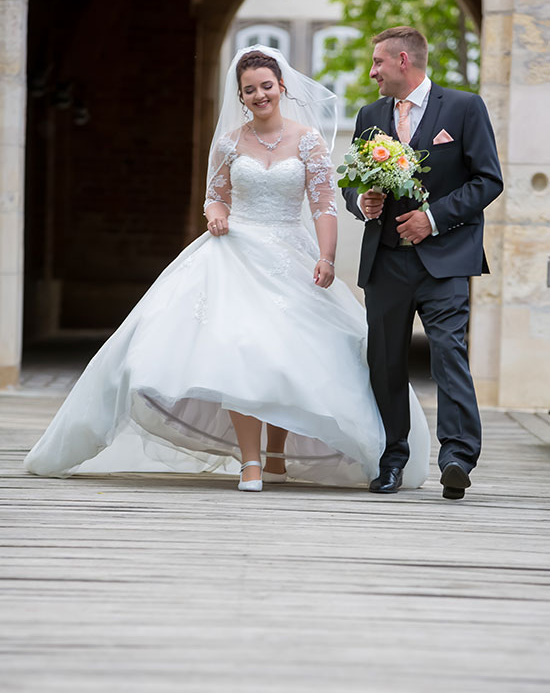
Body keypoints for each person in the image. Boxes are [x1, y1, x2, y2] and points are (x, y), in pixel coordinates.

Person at [25, 45, 430, 491]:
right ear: (241, 96)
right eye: (249, 90)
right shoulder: (229, 143)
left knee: (286, 357)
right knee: (244, 352)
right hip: (235, 253)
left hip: (290, 256)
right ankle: (250, 461)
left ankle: (275, 459)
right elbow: (214, 194)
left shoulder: (308, 140)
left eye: (266, 87)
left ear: (282, 87)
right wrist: (216, 213)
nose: (260, 95)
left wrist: (327, 257)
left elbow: (324, 206)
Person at [342, 26, 503, 500]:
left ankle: (456, 457)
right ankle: (393, 459)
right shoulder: (370, 116)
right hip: (386, 262)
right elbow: (352, 181)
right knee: (385, 362)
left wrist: (433, 218)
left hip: (447, 257)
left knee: (449, 354)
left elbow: (487, 181)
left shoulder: (464, 108)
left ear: (403, 62)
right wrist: (361, 202)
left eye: (378, 63)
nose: (372, 73)